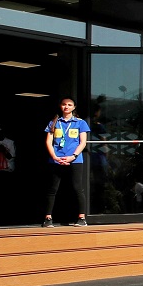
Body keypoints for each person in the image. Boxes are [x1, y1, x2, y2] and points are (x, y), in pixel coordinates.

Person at [43, 97, 90, 227]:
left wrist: (73, 156)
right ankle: (48, 218)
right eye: (64, 104)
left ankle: (81, 218)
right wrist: (54, 157)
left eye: (69, 105)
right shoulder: (54, 122)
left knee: (77, 188)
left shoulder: (80, 123)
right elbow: (48, 141)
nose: (66, 107)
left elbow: (83, 142)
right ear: (60, 106)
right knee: (53, 188)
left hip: (75, 160)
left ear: (74, 107)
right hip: (56, 159)